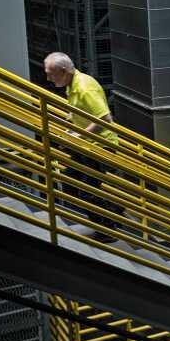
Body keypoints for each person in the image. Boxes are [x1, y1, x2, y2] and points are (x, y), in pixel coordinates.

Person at [43, 52, 124, 241]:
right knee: (72, 183)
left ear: (63, 71)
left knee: (87, 190)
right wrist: (71, 119)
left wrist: (78, 133)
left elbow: (105, 119)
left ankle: (108, 230)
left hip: (99, 147)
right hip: (86, 144)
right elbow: (85, 111)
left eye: (50, 73)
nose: (48, 78)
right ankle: (115, 212)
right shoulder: (72, 84)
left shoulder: (84, 87)